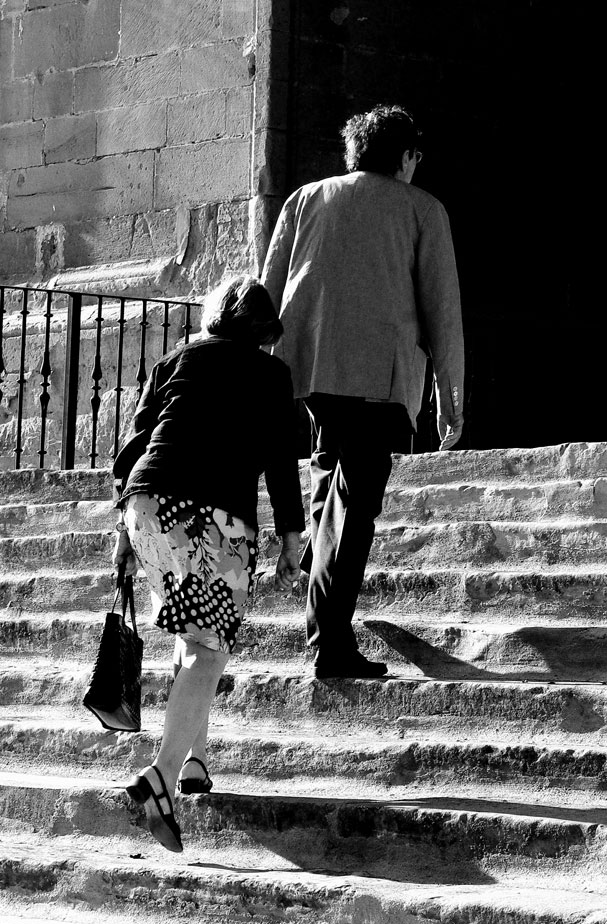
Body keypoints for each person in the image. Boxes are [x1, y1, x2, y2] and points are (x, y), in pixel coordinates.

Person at [261, 104, 465, 679]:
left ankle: (321, 610)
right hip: (380, 377)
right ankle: (330, 642)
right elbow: (442, 310)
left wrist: (262, 371)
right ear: (404, 156)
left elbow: (267, 289)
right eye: (416, 156)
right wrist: (451, 396)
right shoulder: (423, 209)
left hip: (314, 371)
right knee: (356, 507)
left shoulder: (305, 200)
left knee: (330, 487)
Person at [112, 274, 305, 853]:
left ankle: (194, 761)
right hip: (210, 512)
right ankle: (161, 779)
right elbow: (281, 461)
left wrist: (121, 528)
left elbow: (134, 444)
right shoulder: (270, 374)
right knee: (207, 646)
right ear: (264, 331)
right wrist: (291, 537)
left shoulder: (175, 359)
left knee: (190, 627)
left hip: (147, 504)